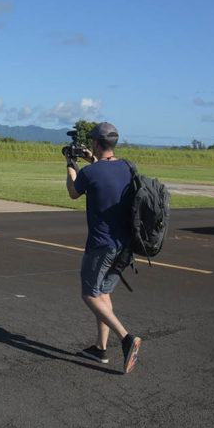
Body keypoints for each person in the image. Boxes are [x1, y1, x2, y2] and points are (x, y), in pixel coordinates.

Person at [66, 122, 142, 374]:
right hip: (125, 246)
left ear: (96, 144)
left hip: (101, 244)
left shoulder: (91, 172)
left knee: (89, 294)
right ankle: (100, 348)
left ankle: (126, 338)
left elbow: (73, 192)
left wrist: (70, 164)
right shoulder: (127, 167)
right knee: (103, 293)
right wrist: (92, 160)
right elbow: (105, 179)